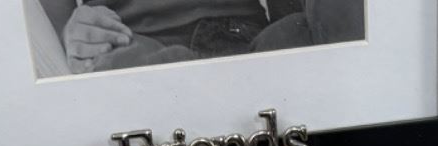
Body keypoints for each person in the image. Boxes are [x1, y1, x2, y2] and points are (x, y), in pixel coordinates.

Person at [53, 1, 363, 71]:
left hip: (251, 42)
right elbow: (54, 30)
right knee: (121, 64)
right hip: (138, 43)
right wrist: (71, 33)